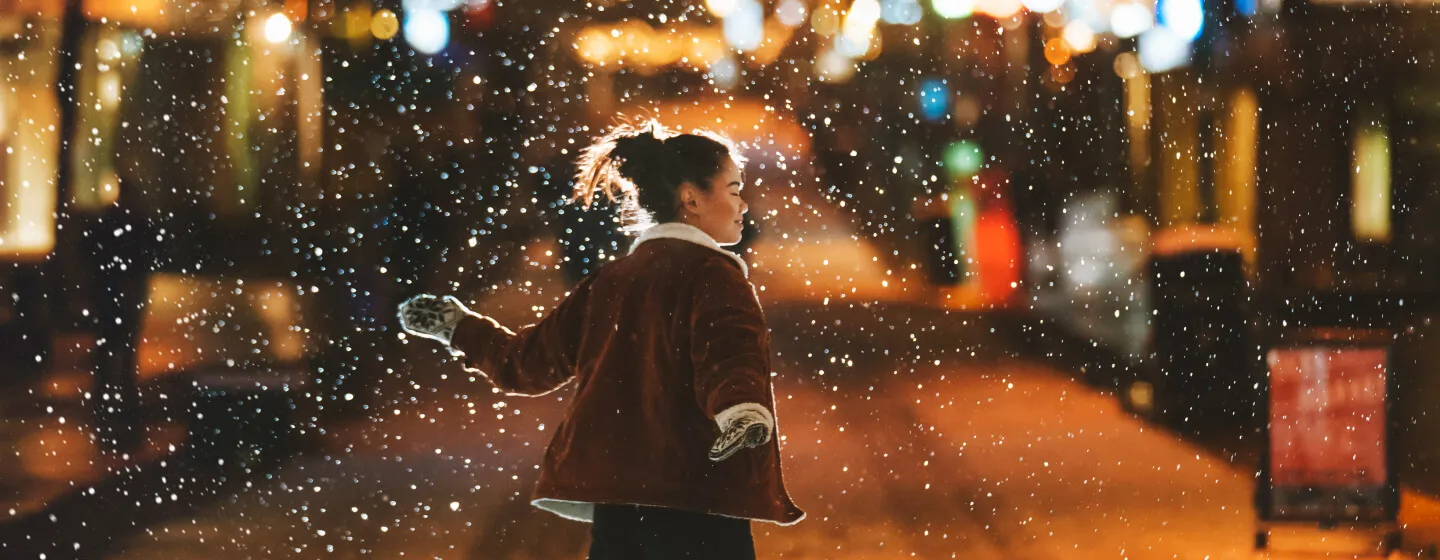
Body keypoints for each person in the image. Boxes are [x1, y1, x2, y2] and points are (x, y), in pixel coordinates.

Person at [397, 120, 804, 559]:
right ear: (690, 198)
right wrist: (741, 411)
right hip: (697, 495)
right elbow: (729, 355)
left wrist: (458, 327)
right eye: (733, 189)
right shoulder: (715, 277)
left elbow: (528, 363)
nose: (743, 205)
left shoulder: (612, 281)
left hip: (619, 504)